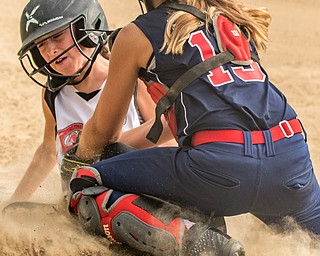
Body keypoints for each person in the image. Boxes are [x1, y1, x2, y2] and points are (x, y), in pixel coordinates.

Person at [63, 0, 320, 253]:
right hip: (292, 162)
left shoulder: (137, 33)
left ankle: (196, 239)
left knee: (85, 182)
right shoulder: (231, 17)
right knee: (314, 236)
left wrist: (77, 159)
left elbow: (102, 133)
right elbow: (175, 125)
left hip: (220, 168)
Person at [10, 0, 176, 202]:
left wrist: (93, 154)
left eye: (57, 37)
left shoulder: (131, 79)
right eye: (41, 44)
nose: (50, 50)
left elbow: (165, 134)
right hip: (83, 202)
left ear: (87, 30)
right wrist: (15, 202)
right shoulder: (53, 95)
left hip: (133, 194)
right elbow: (48, 150)